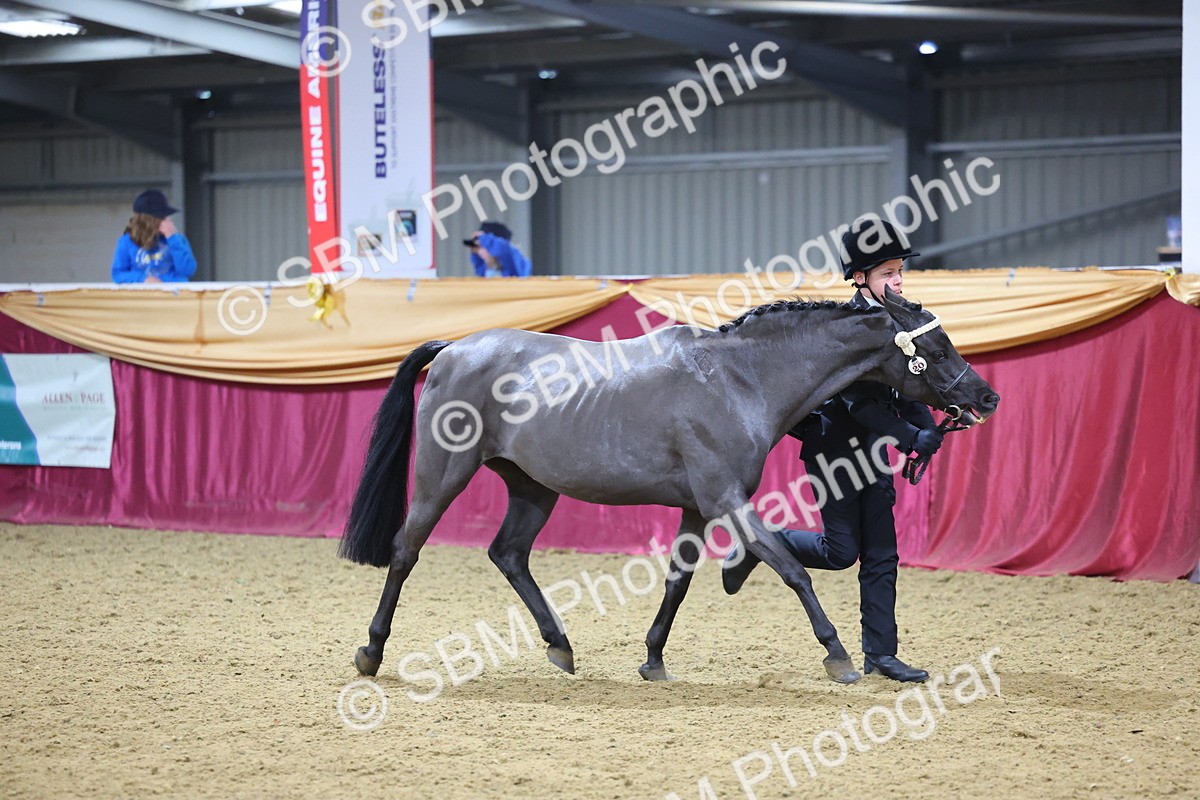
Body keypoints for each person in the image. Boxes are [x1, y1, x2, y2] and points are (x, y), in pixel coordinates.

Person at [721, 217, 944, 683]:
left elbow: (913, 383)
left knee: (882, 556)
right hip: (835, 455)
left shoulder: (902, 322)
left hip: (874, 454)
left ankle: (881, 656)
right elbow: (860, 404)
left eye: (900, 271)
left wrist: (926, 429)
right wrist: (909, 438)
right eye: (887, 274)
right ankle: (766, 542)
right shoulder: (844, 331)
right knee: (842, 553)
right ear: (859, 278)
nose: (898, 280)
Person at [111, 190, 198, 284]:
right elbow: (118, 274)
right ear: (147, 221)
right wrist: (143, 279)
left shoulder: (177, 240)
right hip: (142, 296)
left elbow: (187, 270)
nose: (166, 221)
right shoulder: (126, 242)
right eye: (161, 217)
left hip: (173, 295)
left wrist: (172, 238)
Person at [463, 221, 532, 277]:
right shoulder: (486, 271)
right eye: (478, 247)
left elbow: (505, 251)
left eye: (483, 246)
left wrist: (484, 238)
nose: (480, 252)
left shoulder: (518, 266)